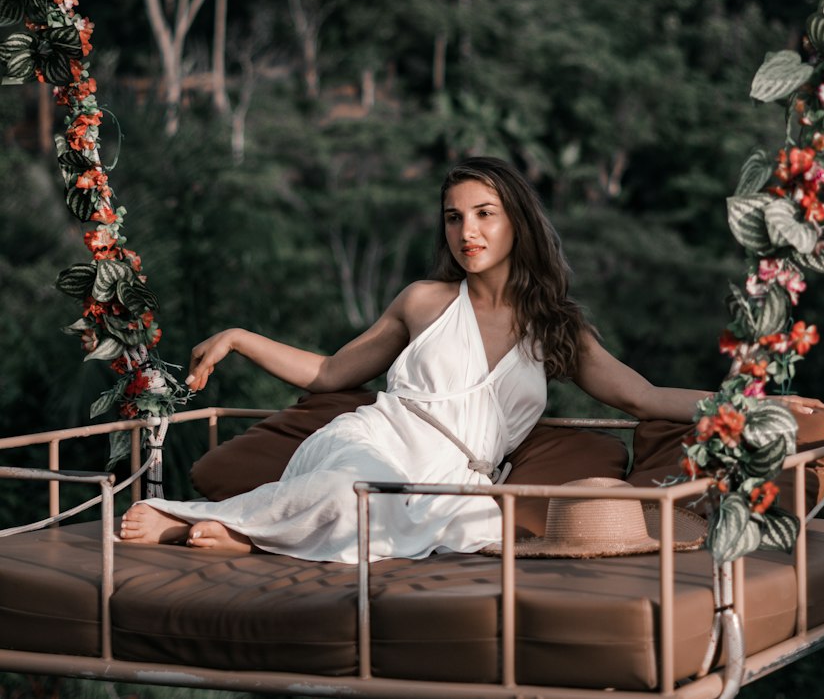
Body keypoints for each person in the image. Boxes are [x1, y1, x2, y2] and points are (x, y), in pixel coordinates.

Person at [119, 156, 707, 559]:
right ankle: (187, 517)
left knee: (466, 525)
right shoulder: (425, 301)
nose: (466, 231)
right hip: (375, 443)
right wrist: (241, 338)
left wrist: (742, 405)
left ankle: (250, 535)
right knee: (355, 490)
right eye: (454, 217)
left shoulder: (555, 327)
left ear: (517, 223)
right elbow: (329, 372)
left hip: (454, 480)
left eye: (484, 214)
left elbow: (645, 398)